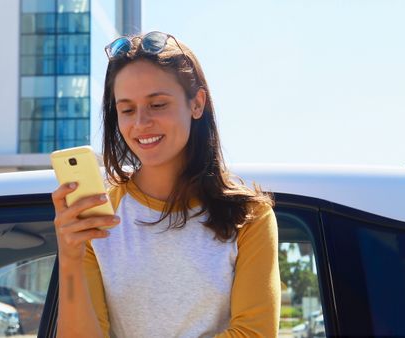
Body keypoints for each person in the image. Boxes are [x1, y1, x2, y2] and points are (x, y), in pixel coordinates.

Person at [51, 31, 280, 338]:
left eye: (157, 105)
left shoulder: (250, 217)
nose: (141, 123)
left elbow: (254, 334)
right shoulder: (99, 216)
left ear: (197, 104)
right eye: (127, 109)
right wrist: (69, 259)